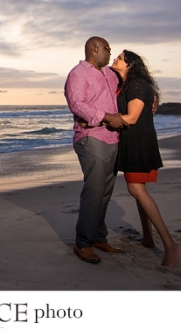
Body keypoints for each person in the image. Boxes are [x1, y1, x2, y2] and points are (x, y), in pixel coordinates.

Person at [111, 50, 181, 268]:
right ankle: (148, 239)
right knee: (138, 189)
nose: (115, 59)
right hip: (132, 140)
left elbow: (131, 117)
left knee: (136, 189)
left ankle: (171, 246)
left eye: (120, 58)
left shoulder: (138, 84)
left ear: (130, 64)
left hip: (138, 142)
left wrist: (99, 121)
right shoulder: (126, 83)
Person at [64, 37, 128, 263]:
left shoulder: (110, 74)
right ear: (96, 48)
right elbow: (77, 104)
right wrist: (105, 118)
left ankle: (99, 237)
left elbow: (124, 91)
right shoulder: (78, 74)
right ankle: (82, 243)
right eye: (108, 49)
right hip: (90, 138)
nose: (110, 53)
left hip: (113, 138)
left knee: (105, 192)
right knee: (94, 190)